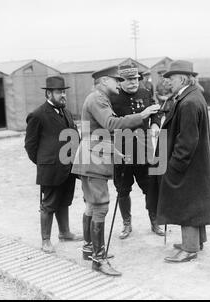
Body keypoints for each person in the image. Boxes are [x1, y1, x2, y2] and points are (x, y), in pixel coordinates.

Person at [71, 66, 160, 276]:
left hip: (94, 155)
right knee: (100, 206)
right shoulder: (98, 99)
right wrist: (143, 114)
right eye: (115, 80)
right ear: (104, 81)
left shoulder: (98, 98)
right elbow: (110, 124)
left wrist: (115, 152)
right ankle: (99, 259)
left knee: (93, 206)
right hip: (93, 159)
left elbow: (96, 132)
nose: (119, 83)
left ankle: (89, 249)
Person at [150, 60, 210, 263]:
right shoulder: (191, 96)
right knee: (195, 202)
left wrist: (174, 166)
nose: (167, 83)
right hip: (196, 164)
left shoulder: (189, 102)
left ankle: (189, 248)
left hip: (187, 165)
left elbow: (187, 140)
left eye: (170, 79)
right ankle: (196, 242)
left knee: (187, 204)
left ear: (182, 79)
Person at [24, 76, 82, 253]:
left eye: (64, 92)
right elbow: (30, 145)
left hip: (68, 167)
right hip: (50, 168)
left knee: (64, 201)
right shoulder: (38, 115)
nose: (63, 95)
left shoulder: (66, 112)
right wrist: (44, 162)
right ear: (49, 93)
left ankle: (64, 233)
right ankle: (46, 240)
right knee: (48, 204)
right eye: (59, 92)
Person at [110, 62, 165, 239]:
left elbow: (157, 111)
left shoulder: (145, 93)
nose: (133, 82)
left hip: (145, 150)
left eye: (135, 79)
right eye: (128, 79)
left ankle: (155, 221)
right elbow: (109, 122)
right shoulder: (113, 98)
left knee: (150, 187)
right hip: (122, 151)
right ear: (120, 81)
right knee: (123, 190)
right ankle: (127, 224)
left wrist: (156, 123)